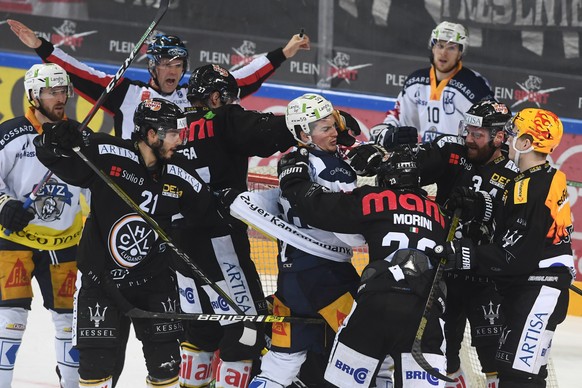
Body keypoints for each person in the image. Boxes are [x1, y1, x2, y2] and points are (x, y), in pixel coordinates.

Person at [173, 69, 362, 387]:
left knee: (202, 335)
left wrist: (239, 199)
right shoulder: (224, 119)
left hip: (178, 247)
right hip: (233, 246)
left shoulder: (175, 126)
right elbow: (263, 131)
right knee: (246, 332)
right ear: (218, 98)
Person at [33, 98, 235, 388]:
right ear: (151, 134)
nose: (181, 140)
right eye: (174, 133)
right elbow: (54, 156)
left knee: (166, 371)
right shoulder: (108, 153)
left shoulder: (179, 171)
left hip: (154, 284)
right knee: (95, 372)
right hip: (100, 282)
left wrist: (230, 202)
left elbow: (209, 213)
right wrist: (52, 139)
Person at [358, 99, 517, 386]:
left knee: (496, 361)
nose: (468, 138)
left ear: (500, 137)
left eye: (477, 135)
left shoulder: (515, 176)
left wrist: (484, 207)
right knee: (445, 357)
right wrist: (389, 153)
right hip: (444, 274)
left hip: (487, 280)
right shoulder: (454, 154)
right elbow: (414, 167)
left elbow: (515, 230)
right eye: (467, 131)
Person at [269, 145, 451, 387]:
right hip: (425, 313)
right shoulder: (441, 215)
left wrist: (293, 177)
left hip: (377, 305)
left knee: (345, 384)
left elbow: (317, 207)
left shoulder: (376, 198)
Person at [8, 18, 310, 139]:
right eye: (166, 63)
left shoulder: (193, 95)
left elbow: (243, 80)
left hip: (176, 189)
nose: (174, 70)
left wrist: (283, 52)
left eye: (179, 64)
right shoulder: (125, 92)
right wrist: (41, 46)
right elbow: (78, 72)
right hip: (130, 182)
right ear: (153, 66)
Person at [445, 108, 574, 387]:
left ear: (526, 143)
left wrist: (463, 253)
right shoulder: (538, 179)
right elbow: (521, 224)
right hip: (533, 290)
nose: (507, 140)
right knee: (520, 372)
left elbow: (514, 254)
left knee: (518, 378)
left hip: (540, 290)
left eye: (513, 134)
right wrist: (481, 205)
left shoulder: (531, 187)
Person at [248, 93, 361, 388]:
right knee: (366, 352)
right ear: (302, 133)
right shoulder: (333, 170)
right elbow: (353, 236)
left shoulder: (292, 161)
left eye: (333, 124)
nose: (334, 132)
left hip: (291, 281)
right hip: (327, 278)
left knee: (280, 365)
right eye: (324, 128)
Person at [0, 63, 82, 387]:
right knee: (10, 321)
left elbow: (93, 188)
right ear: (34, 95)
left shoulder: (78, 137)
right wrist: (4, 205)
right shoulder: (11, 133)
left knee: (69, 325)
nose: (60, 97)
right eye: (51, 91)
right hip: (15, 240)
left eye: (63, 90)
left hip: (65, 243)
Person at [381, 21, 493, 143]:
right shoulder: (415, 82)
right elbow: (400, 118)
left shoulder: (475, 85)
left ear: (460, 53)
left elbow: (492, 125)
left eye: (451, 48)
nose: (443, 53)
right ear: (432, 47)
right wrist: (386, 132)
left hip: (461, 159)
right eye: (440, 46)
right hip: (427, 157)